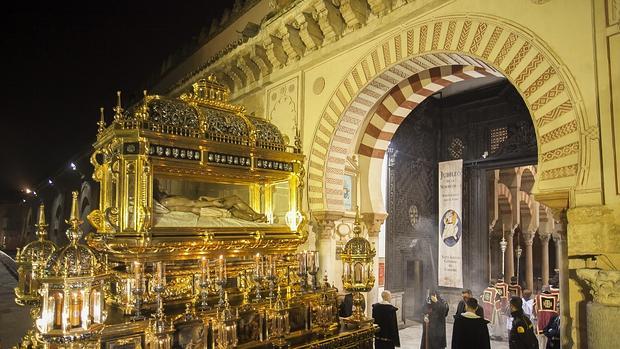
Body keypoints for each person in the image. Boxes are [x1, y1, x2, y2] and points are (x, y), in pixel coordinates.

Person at [153, 179, 266, 221]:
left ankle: (254, 218)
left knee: (232, 209)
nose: (164, 188)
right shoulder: (167, 201)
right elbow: (192, 204)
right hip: (203, 208)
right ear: (156, 189)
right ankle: (255, 216)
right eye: (160, 186)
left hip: (202, 207)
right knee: (234, 200)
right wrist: (212, 203)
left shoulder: (165, 201)